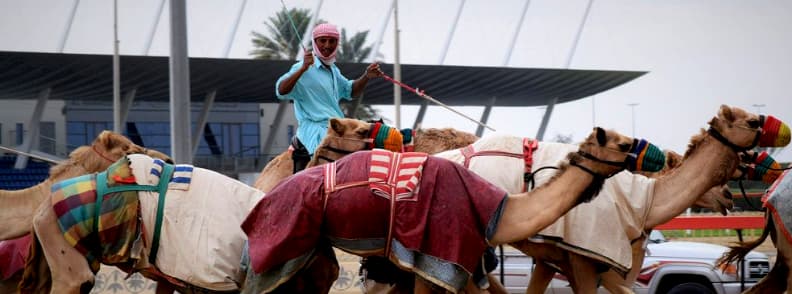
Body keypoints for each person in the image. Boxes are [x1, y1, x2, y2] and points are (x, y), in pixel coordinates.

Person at [276, 22, 383, 173]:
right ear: (314, 42)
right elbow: (281, 90)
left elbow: (350, 91)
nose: (327, 45)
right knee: (328, 168)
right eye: (323, 40)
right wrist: (302, 68)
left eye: (332, 41)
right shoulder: (302, 67)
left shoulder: (333, 70)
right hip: (313, 129)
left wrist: (367, 76)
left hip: (337, 127)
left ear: (337, 43)